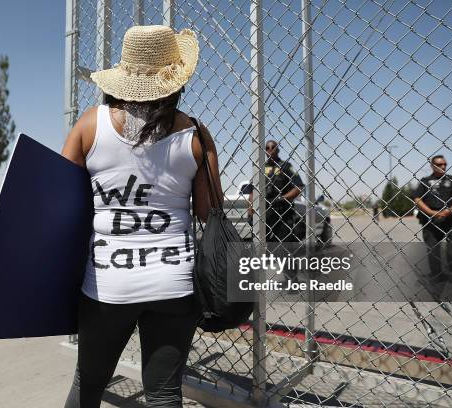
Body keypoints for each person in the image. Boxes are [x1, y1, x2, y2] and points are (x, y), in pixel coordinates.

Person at [60, 25, 222, 407]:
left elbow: (62, 201)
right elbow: (206, 210)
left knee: (89, 383)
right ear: (175, 79)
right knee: (164, 393)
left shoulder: (90, 124)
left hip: (106, 281)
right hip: (173, 281)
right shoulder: (196, 133)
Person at [245, 140, 304, 286]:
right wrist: (250, 210)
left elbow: (299, 187)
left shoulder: (286, 166)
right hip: (264, 214)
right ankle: (255, 282)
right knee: (257, 249)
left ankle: (292, 280)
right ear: (264, 150)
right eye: (267, 148)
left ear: (278, 149)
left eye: (273, 147)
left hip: (283, 213)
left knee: (284, 250)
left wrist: (282, 199)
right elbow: (252, 192)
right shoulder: (259, 168)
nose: (270, 150)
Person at [412, 155, 452, 287]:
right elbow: (417, 198)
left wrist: (448, 211)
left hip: (451, 220)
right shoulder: (425, 181)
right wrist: (432, 213)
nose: (443, 166)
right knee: (433, 250)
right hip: (431, 221)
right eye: (439, 164)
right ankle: (437, 275)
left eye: (444, 164)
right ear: (432, 166)